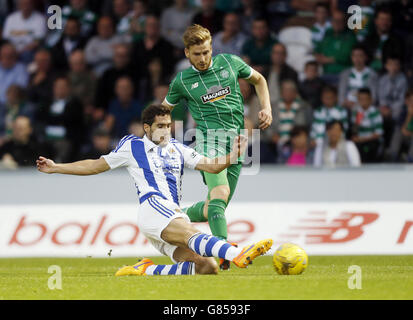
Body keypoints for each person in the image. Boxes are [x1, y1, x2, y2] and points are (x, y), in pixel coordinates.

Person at [36, 104, 273, 276]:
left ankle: (147, 270)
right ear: (147, 128)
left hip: (171, 213)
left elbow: (211, 166)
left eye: (169, 126)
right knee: (190, 231)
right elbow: (94, 166)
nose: (165, 131)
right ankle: (237, 253)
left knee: (206, 267)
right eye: (160, 126)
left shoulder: (178, 149)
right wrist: (57, 167)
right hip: (153, 207)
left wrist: (233, 155)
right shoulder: (132, 145)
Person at [162, 24, 272, 270]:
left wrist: (266, 108)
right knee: (220, 194)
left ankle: (169, 215)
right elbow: (163, 110)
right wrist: (154, 137)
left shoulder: (230, 63)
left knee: (215, 205)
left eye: (206, 52)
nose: (202, 59)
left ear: (212, 48)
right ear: (186, 53)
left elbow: (260, 80)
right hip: (207, 141)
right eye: (197, 54)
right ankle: (225, 252)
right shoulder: (182, 81)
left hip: (237, 142)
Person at [351, 88, 383, 163]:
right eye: (360, 99)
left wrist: (363, 139)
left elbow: (378, 133)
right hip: (359, 140)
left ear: (370, 99)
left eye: (365, 99)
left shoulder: (375, 112)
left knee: (369, 149)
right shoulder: (356, 111)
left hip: (371, 141)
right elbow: (354, 130)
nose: (363, 101)